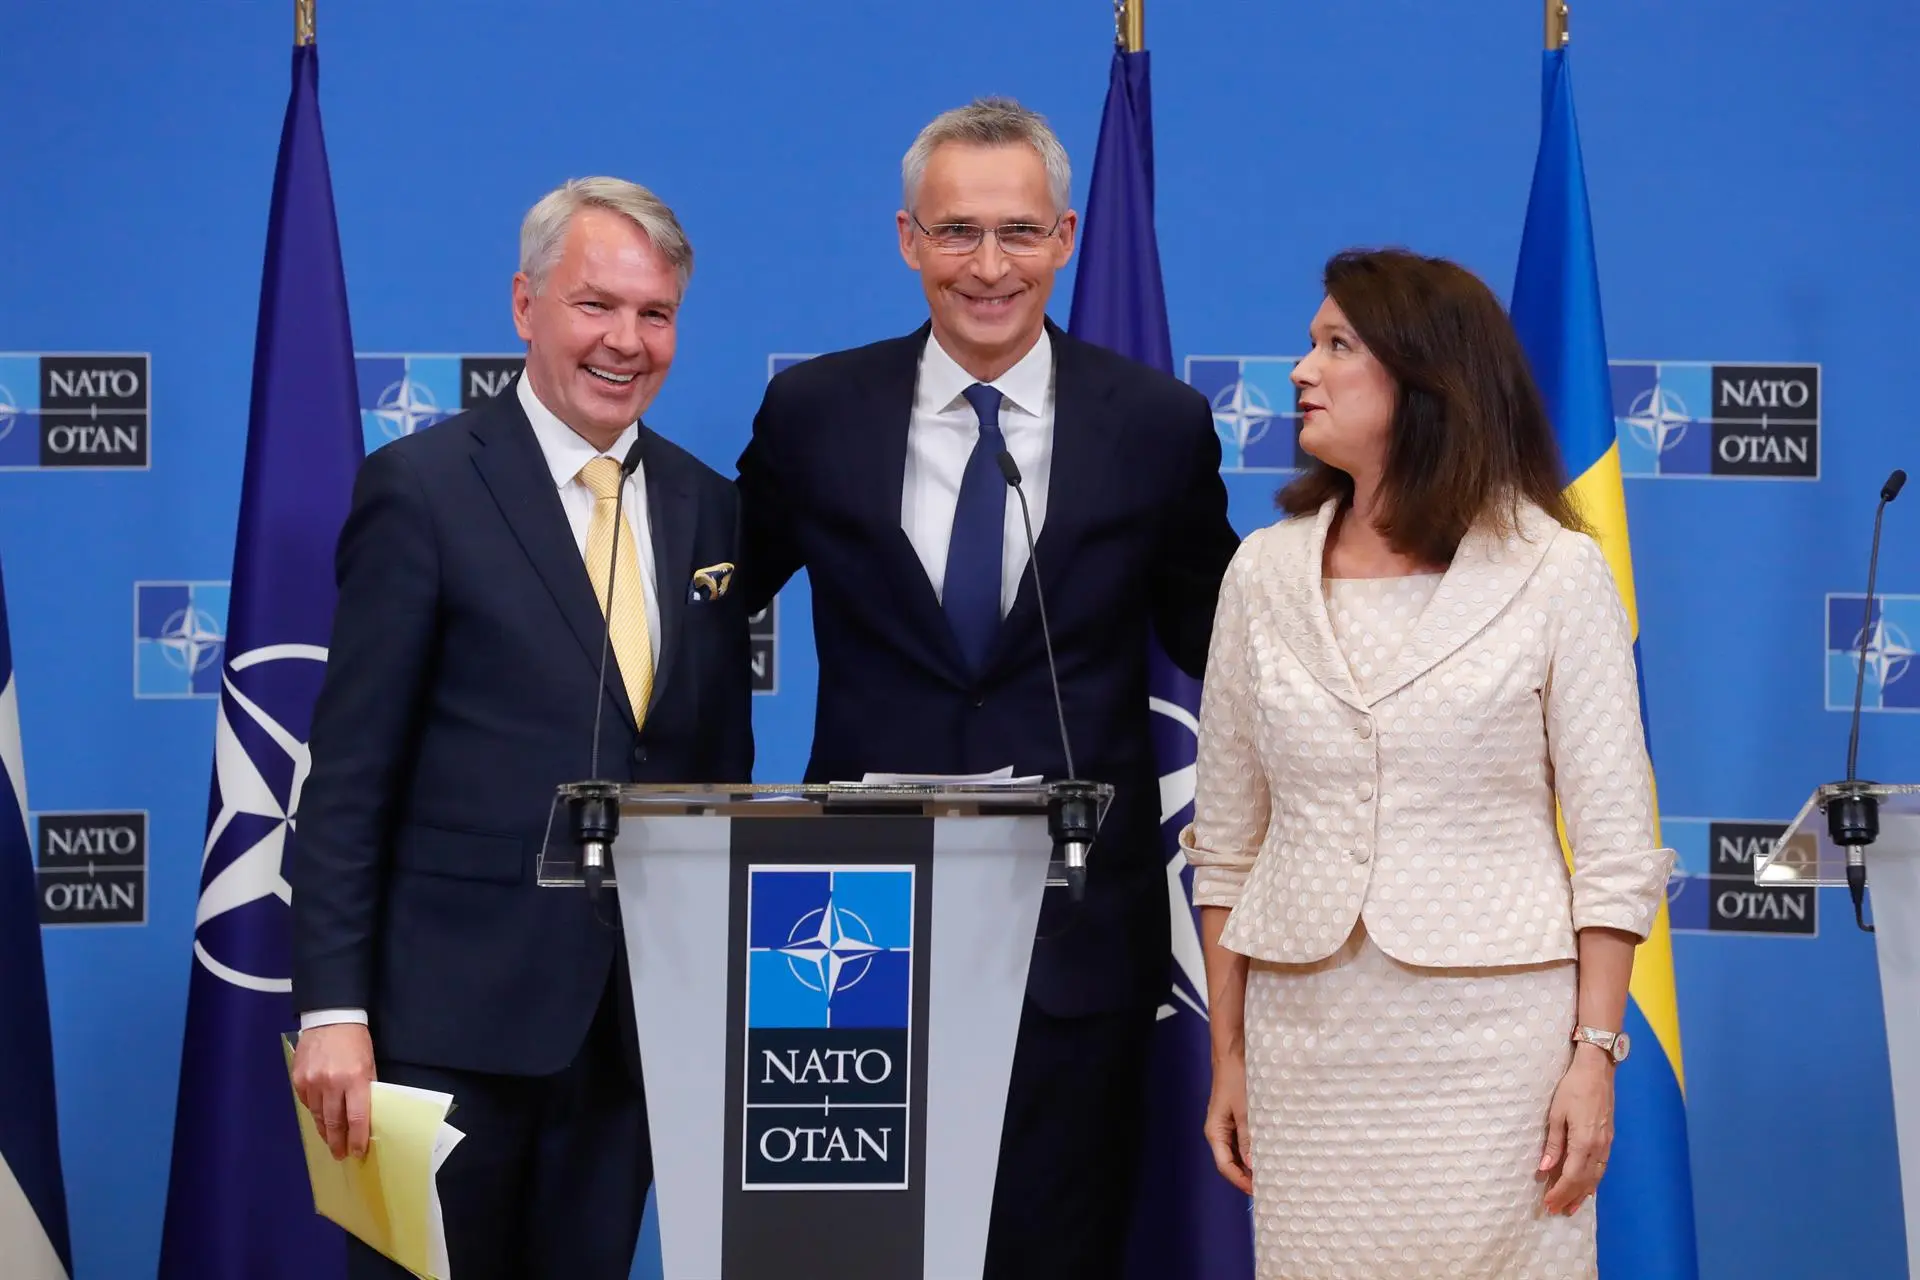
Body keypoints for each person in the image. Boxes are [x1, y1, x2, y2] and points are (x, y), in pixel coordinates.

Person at [734, 97, 1240, 1276]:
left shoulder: (1157, 424)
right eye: (957, 231)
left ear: (1065, 237)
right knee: (842, 1256)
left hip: (1075, 932)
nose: (990, 265)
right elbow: (705, 608)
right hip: (842, 931)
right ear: (907, 239)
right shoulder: (815, 412)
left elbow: (1228, 642)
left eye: (1018, 231)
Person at [288, 177, 754, 1280]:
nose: (626, 341)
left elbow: (714, 771)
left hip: (632, 1033)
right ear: (524, 305)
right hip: (442, 1034)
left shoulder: (708, 506)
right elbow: (349, 777)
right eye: (597, 305)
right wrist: (334, 1009)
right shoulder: (423, 489)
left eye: (655, 313)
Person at [1184, 247, 1675, 1278]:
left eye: (1337, 346)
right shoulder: (1261, 571)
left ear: (1426, 378)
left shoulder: (1553, 571)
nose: (1301, 371)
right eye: (1310, 344)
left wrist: (1593, 1056)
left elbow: (1617, 848)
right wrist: (1228, 1054)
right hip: (1305, 1044)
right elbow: (1225, 848)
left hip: (1496, 1051)